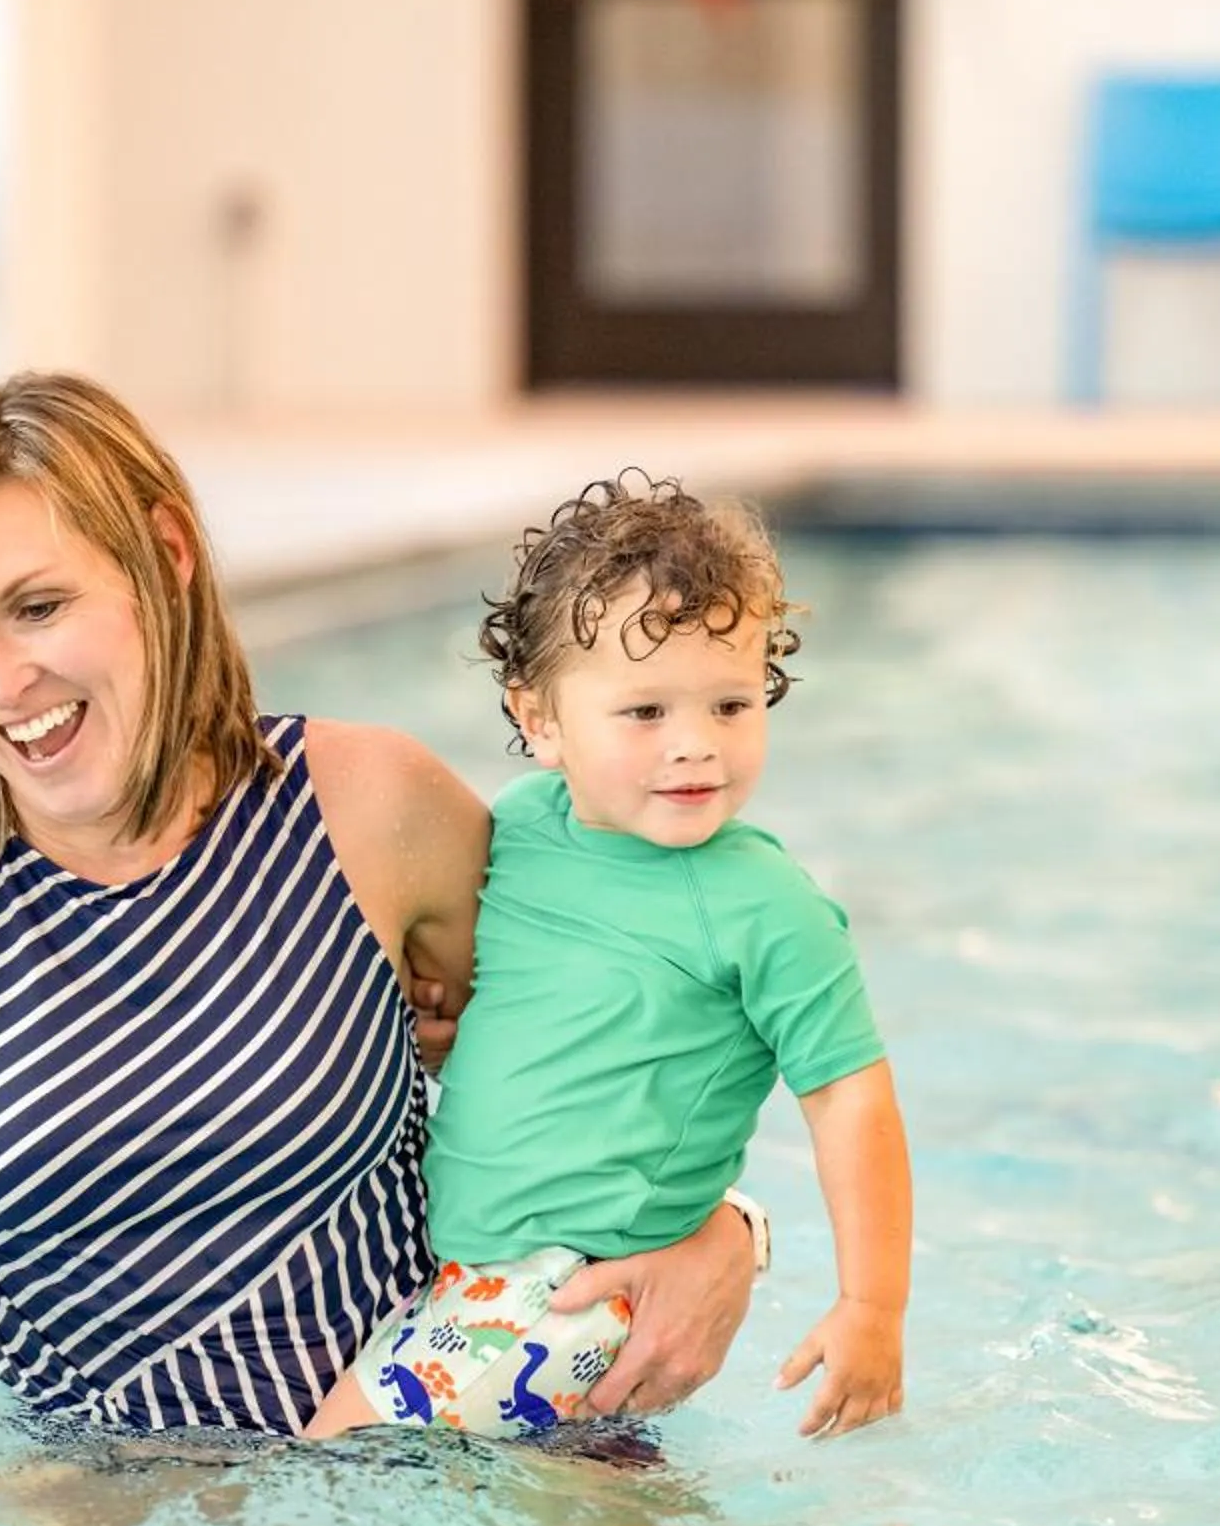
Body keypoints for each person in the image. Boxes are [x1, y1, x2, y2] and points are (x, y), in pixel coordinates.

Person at [0, 371, 763, 1435]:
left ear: (165, 557)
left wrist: (729, 1231)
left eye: (37, 608)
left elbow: (657, 1037)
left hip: (446, 1471)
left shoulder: (368, 808)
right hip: (100, 1510)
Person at [302, 474, 913, 1442]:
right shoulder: (516, 831)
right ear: (540, 719)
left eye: (729, 704)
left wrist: (871, 1307)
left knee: (332, 1470)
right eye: (645, 713)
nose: (695, 747)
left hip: (576, 1286)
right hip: (474, 1278)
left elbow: (850, 1095)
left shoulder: (763, 905)